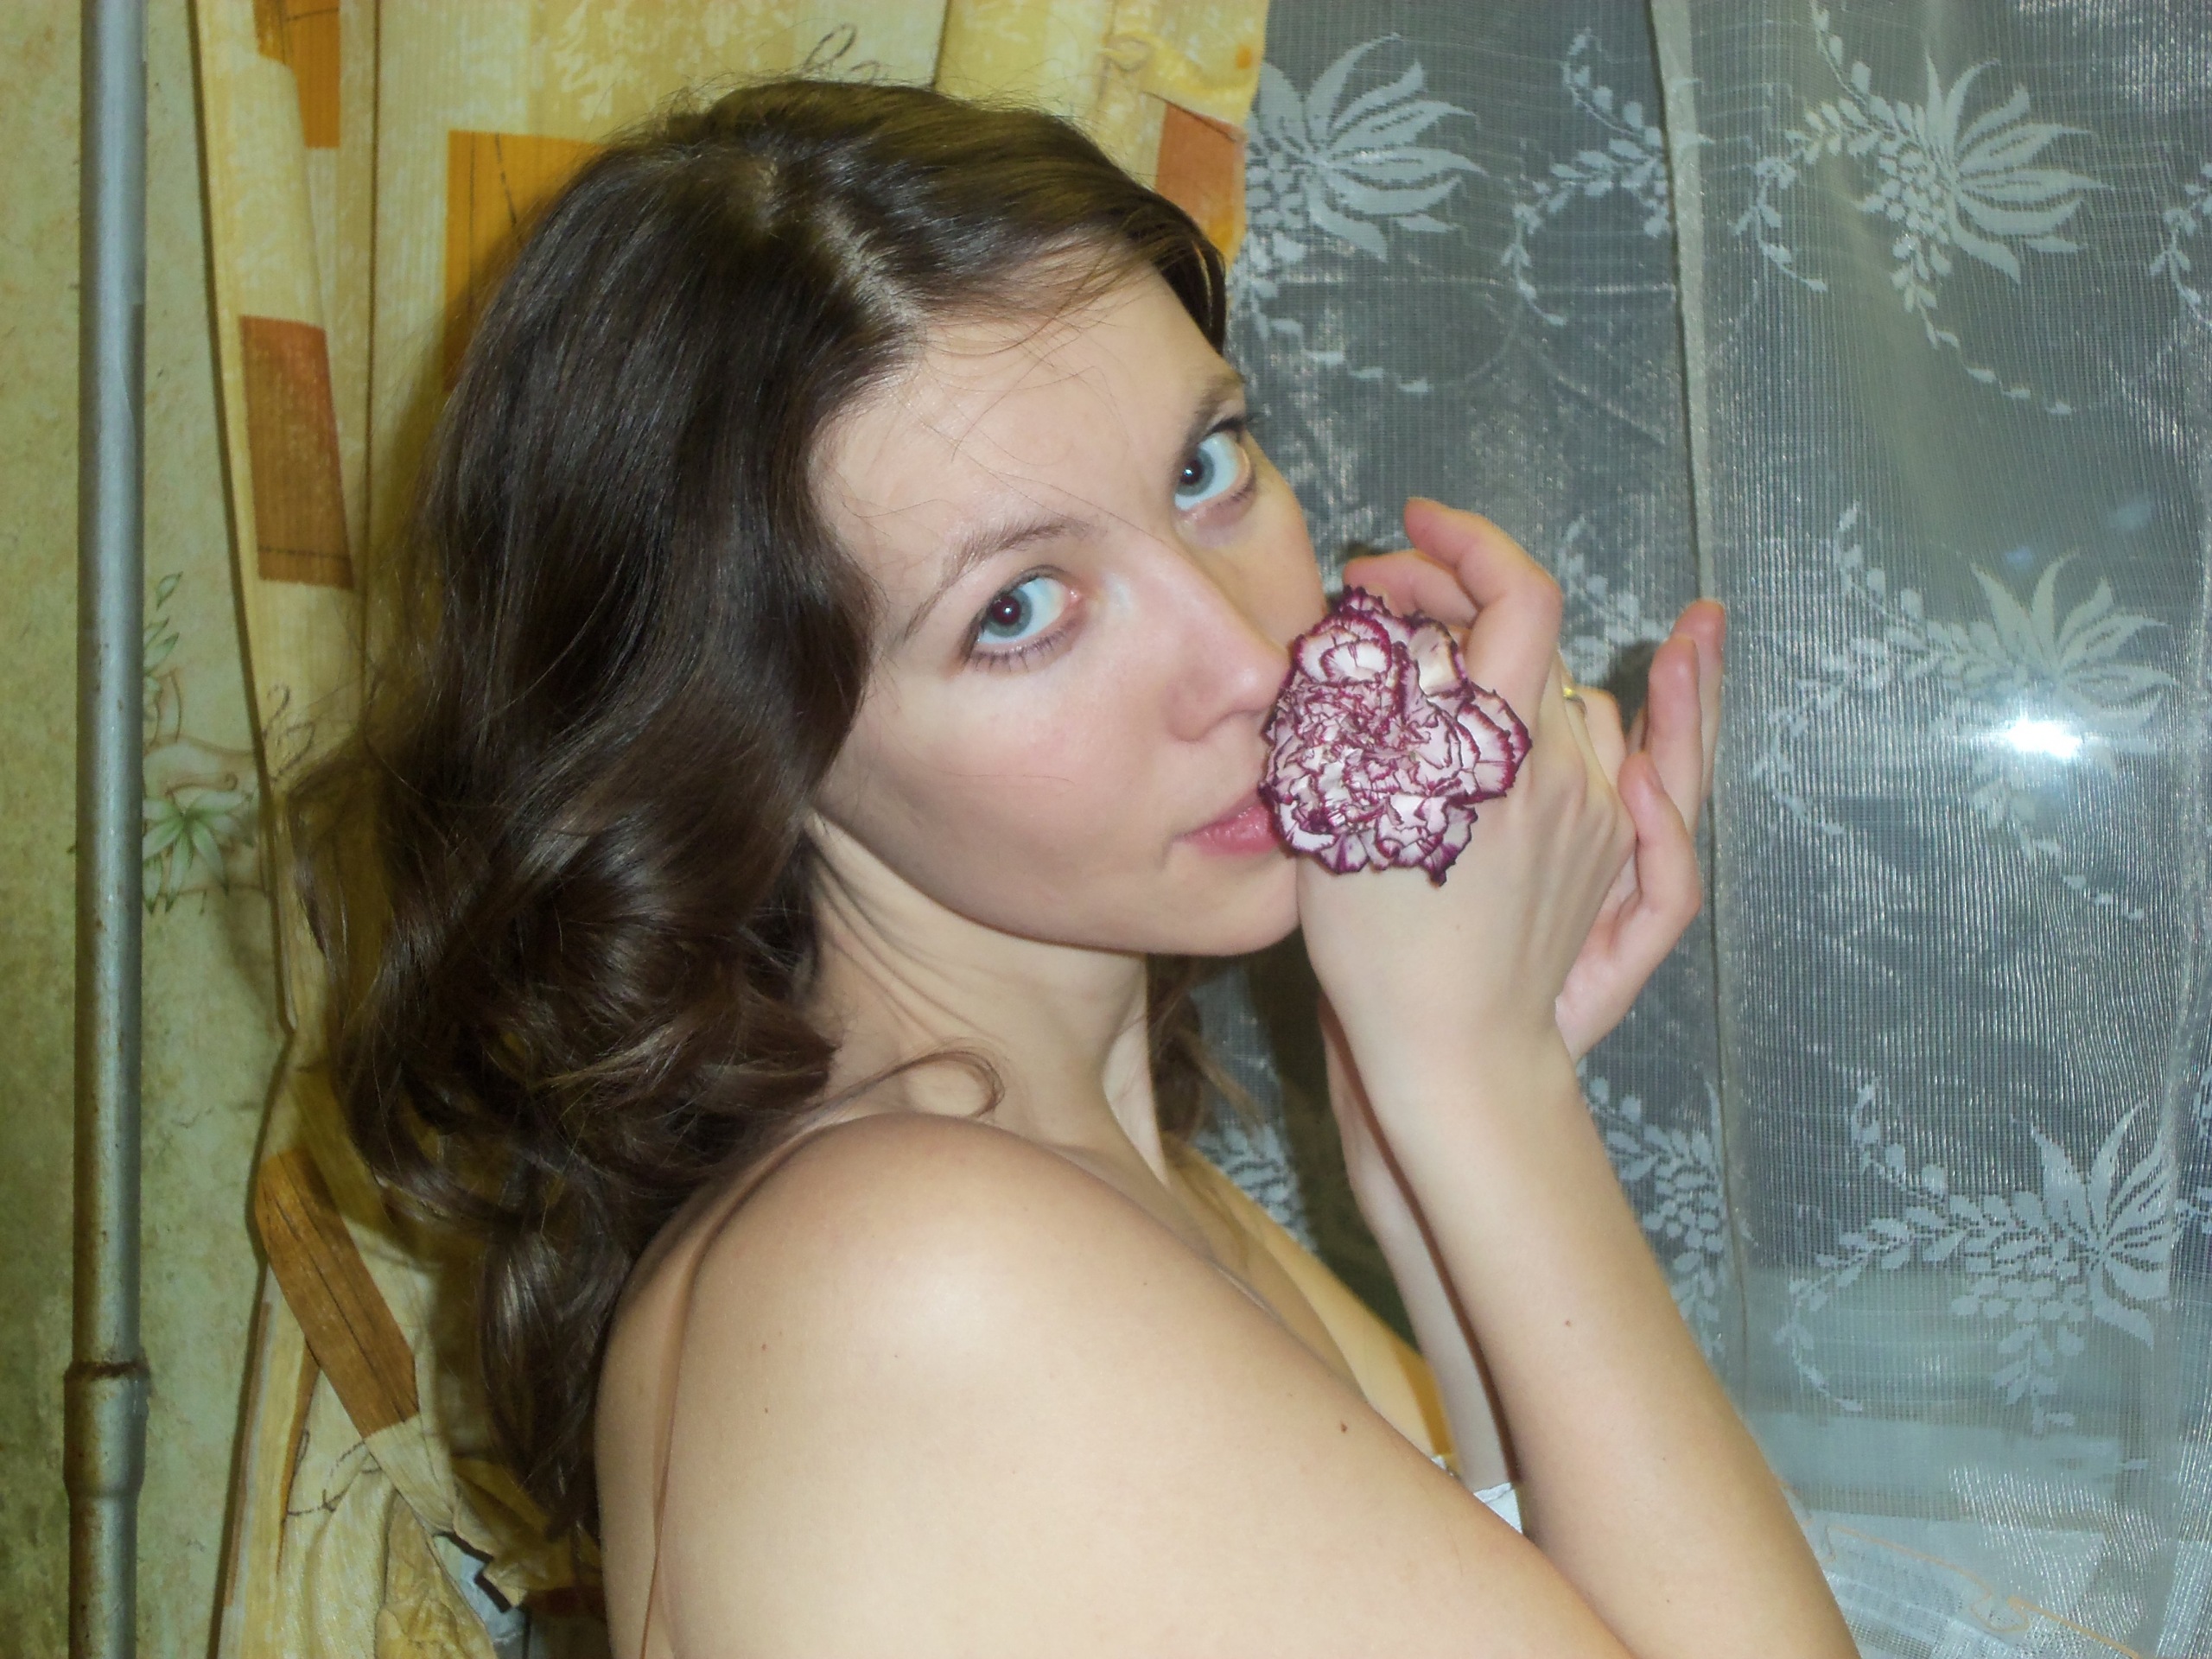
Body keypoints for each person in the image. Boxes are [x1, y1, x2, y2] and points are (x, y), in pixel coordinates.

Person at [302, 78, 1858, 1658]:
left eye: (1205, 470)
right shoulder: (914, 1271)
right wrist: (1485, 1084)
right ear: (745, 750)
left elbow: (1530, 1585)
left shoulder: (1099, 1186)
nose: (1248, 658)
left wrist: (1422, 1145)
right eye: (1021, 610)